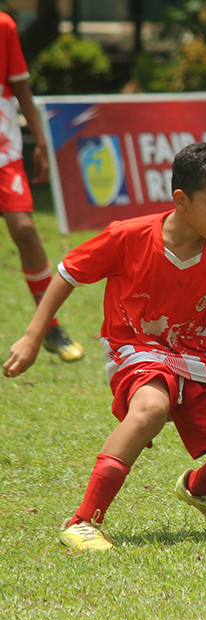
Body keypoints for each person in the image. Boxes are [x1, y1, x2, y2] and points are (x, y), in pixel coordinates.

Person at [3, 143, 206, 552]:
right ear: (181, 200)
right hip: (137, 346)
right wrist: (33, 335)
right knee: (150, 408)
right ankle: (82, 522)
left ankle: (200, 489)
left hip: (197, 353)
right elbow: (68, 273)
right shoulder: (128, 236)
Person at [1, 11, 83, 362]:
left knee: (25, 229)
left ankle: (49, 326)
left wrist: (41, 142)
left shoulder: (4, 26)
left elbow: (21, 87)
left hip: (4, 153)